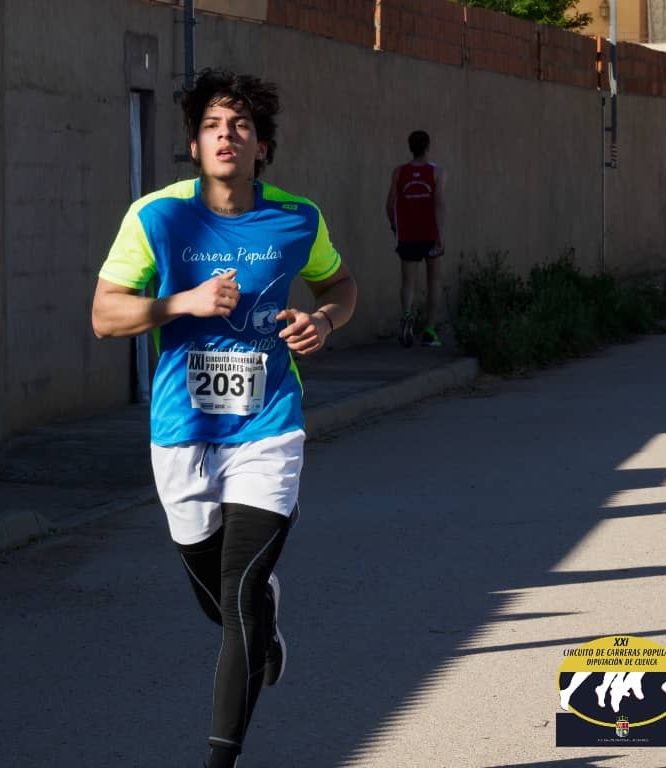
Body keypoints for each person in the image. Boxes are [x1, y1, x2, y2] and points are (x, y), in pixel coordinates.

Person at [91, 69, 356, 768]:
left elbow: (339, 283)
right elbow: (105, 315)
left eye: (240, 125)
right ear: (194, 144)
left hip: (269, 428)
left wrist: (325, 320)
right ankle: (266, 627)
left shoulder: (298, 218)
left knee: (238, 599)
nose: (226, 135)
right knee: (222, 604)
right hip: (182, 431)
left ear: (262, 145)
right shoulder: (156, 217)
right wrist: (183, 302)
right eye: (211, 125)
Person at [385, 129, 446, 348]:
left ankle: (407, 316)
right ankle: (430, 330)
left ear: (411, 148)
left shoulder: (399, 172)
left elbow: (389, 204)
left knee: (408, 283)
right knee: (433, 282)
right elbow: (439, 204)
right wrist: (440, 235)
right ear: (427, 147)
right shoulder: (437, 173)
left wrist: (395, 227)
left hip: (408, 235)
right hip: (429, 234)